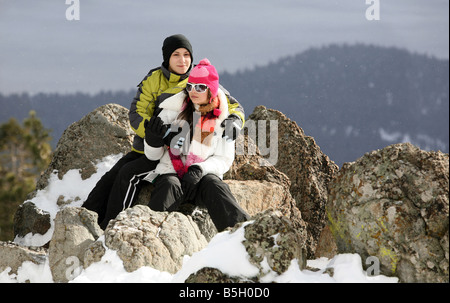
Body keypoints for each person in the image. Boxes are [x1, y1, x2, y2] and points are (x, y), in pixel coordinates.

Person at [82, 34, 245, 229]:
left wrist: (234, 121)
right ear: (167, 58)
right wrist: (156, 134)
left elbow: (231, 106)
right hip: (150, 147)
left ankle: (110, 225)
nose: (182, 60)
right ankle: (89, 220)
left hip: (176, 155)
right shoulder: (155, 80)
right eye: (176, 55)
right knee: (113, 176)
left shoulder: (199, 78)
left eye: (186, 55)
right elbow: (137, 113)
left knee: (128, 175)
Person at [143, 58, 250, 232]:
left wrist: (199, 169)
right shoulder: (171, 111)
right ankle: (149, 236)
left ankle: (243, 235)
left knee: (215, 186)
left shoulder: (223, 120)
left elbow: (223, 160)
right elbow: (153, 156)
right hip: (171, 174)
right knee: (168, 186)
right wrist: (153, 141)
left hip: (201, 179)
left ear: (212, 90)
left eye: (200, 87)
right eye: (190, 86)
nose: (193, 91)